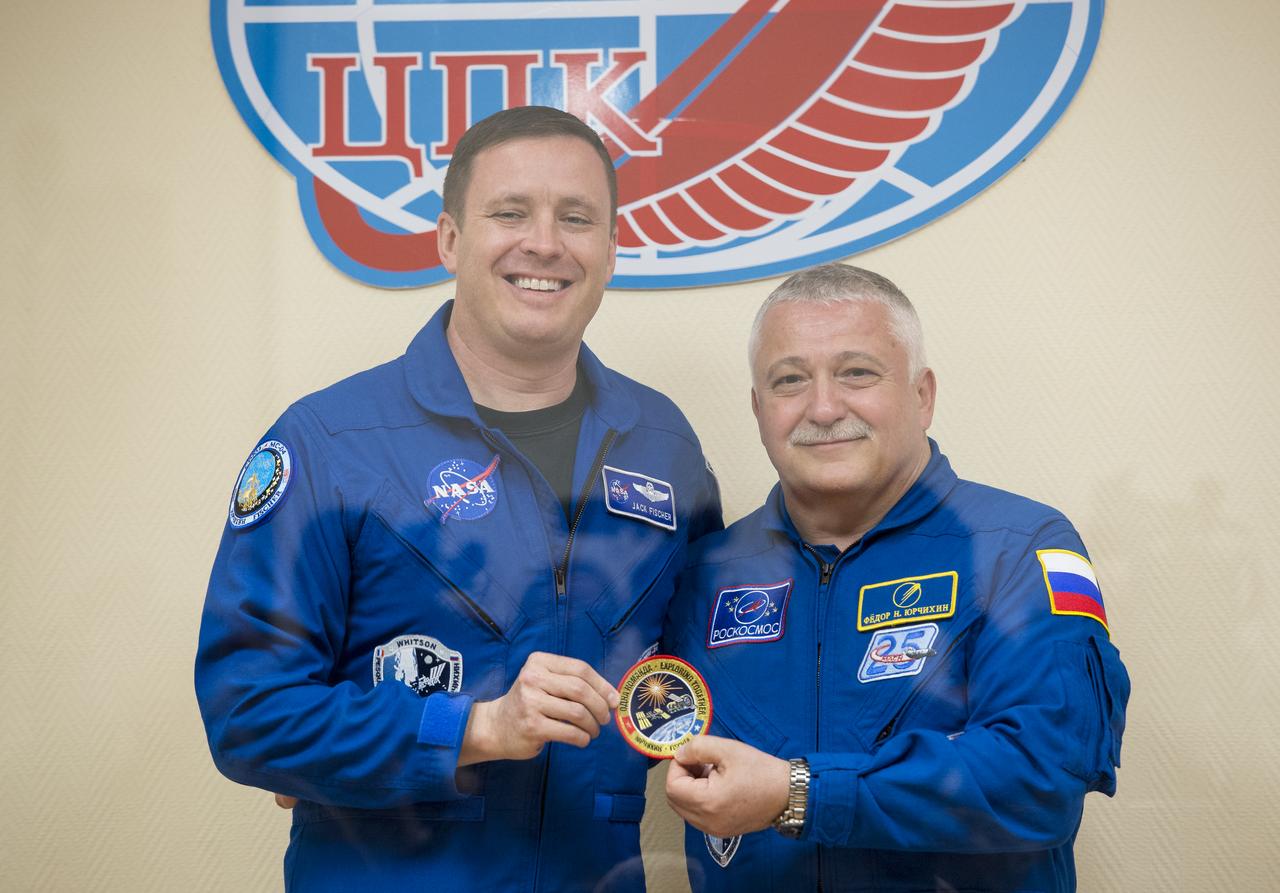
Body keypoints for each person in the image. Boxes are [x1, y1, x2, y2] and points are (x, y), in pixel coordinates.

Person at [195, 106, 722, 892]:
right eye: (510, 212)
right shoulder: (331, 442)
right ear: (449, 239)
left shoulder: (664, 446)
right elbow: (248, 710)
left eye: (576, 218)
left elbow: (710, 672)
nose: (544, 242)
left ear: (611, 252)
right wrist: (474, 727)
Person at [662, 263, 1129, 892]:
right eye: (789, 380)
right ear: (757, 407)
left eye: (857, 373)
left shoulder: (1019, 549)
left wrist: (799, 793)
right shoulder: (707, 573)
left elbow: (1040, 775)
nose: (823, 408)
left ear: (922, 394)